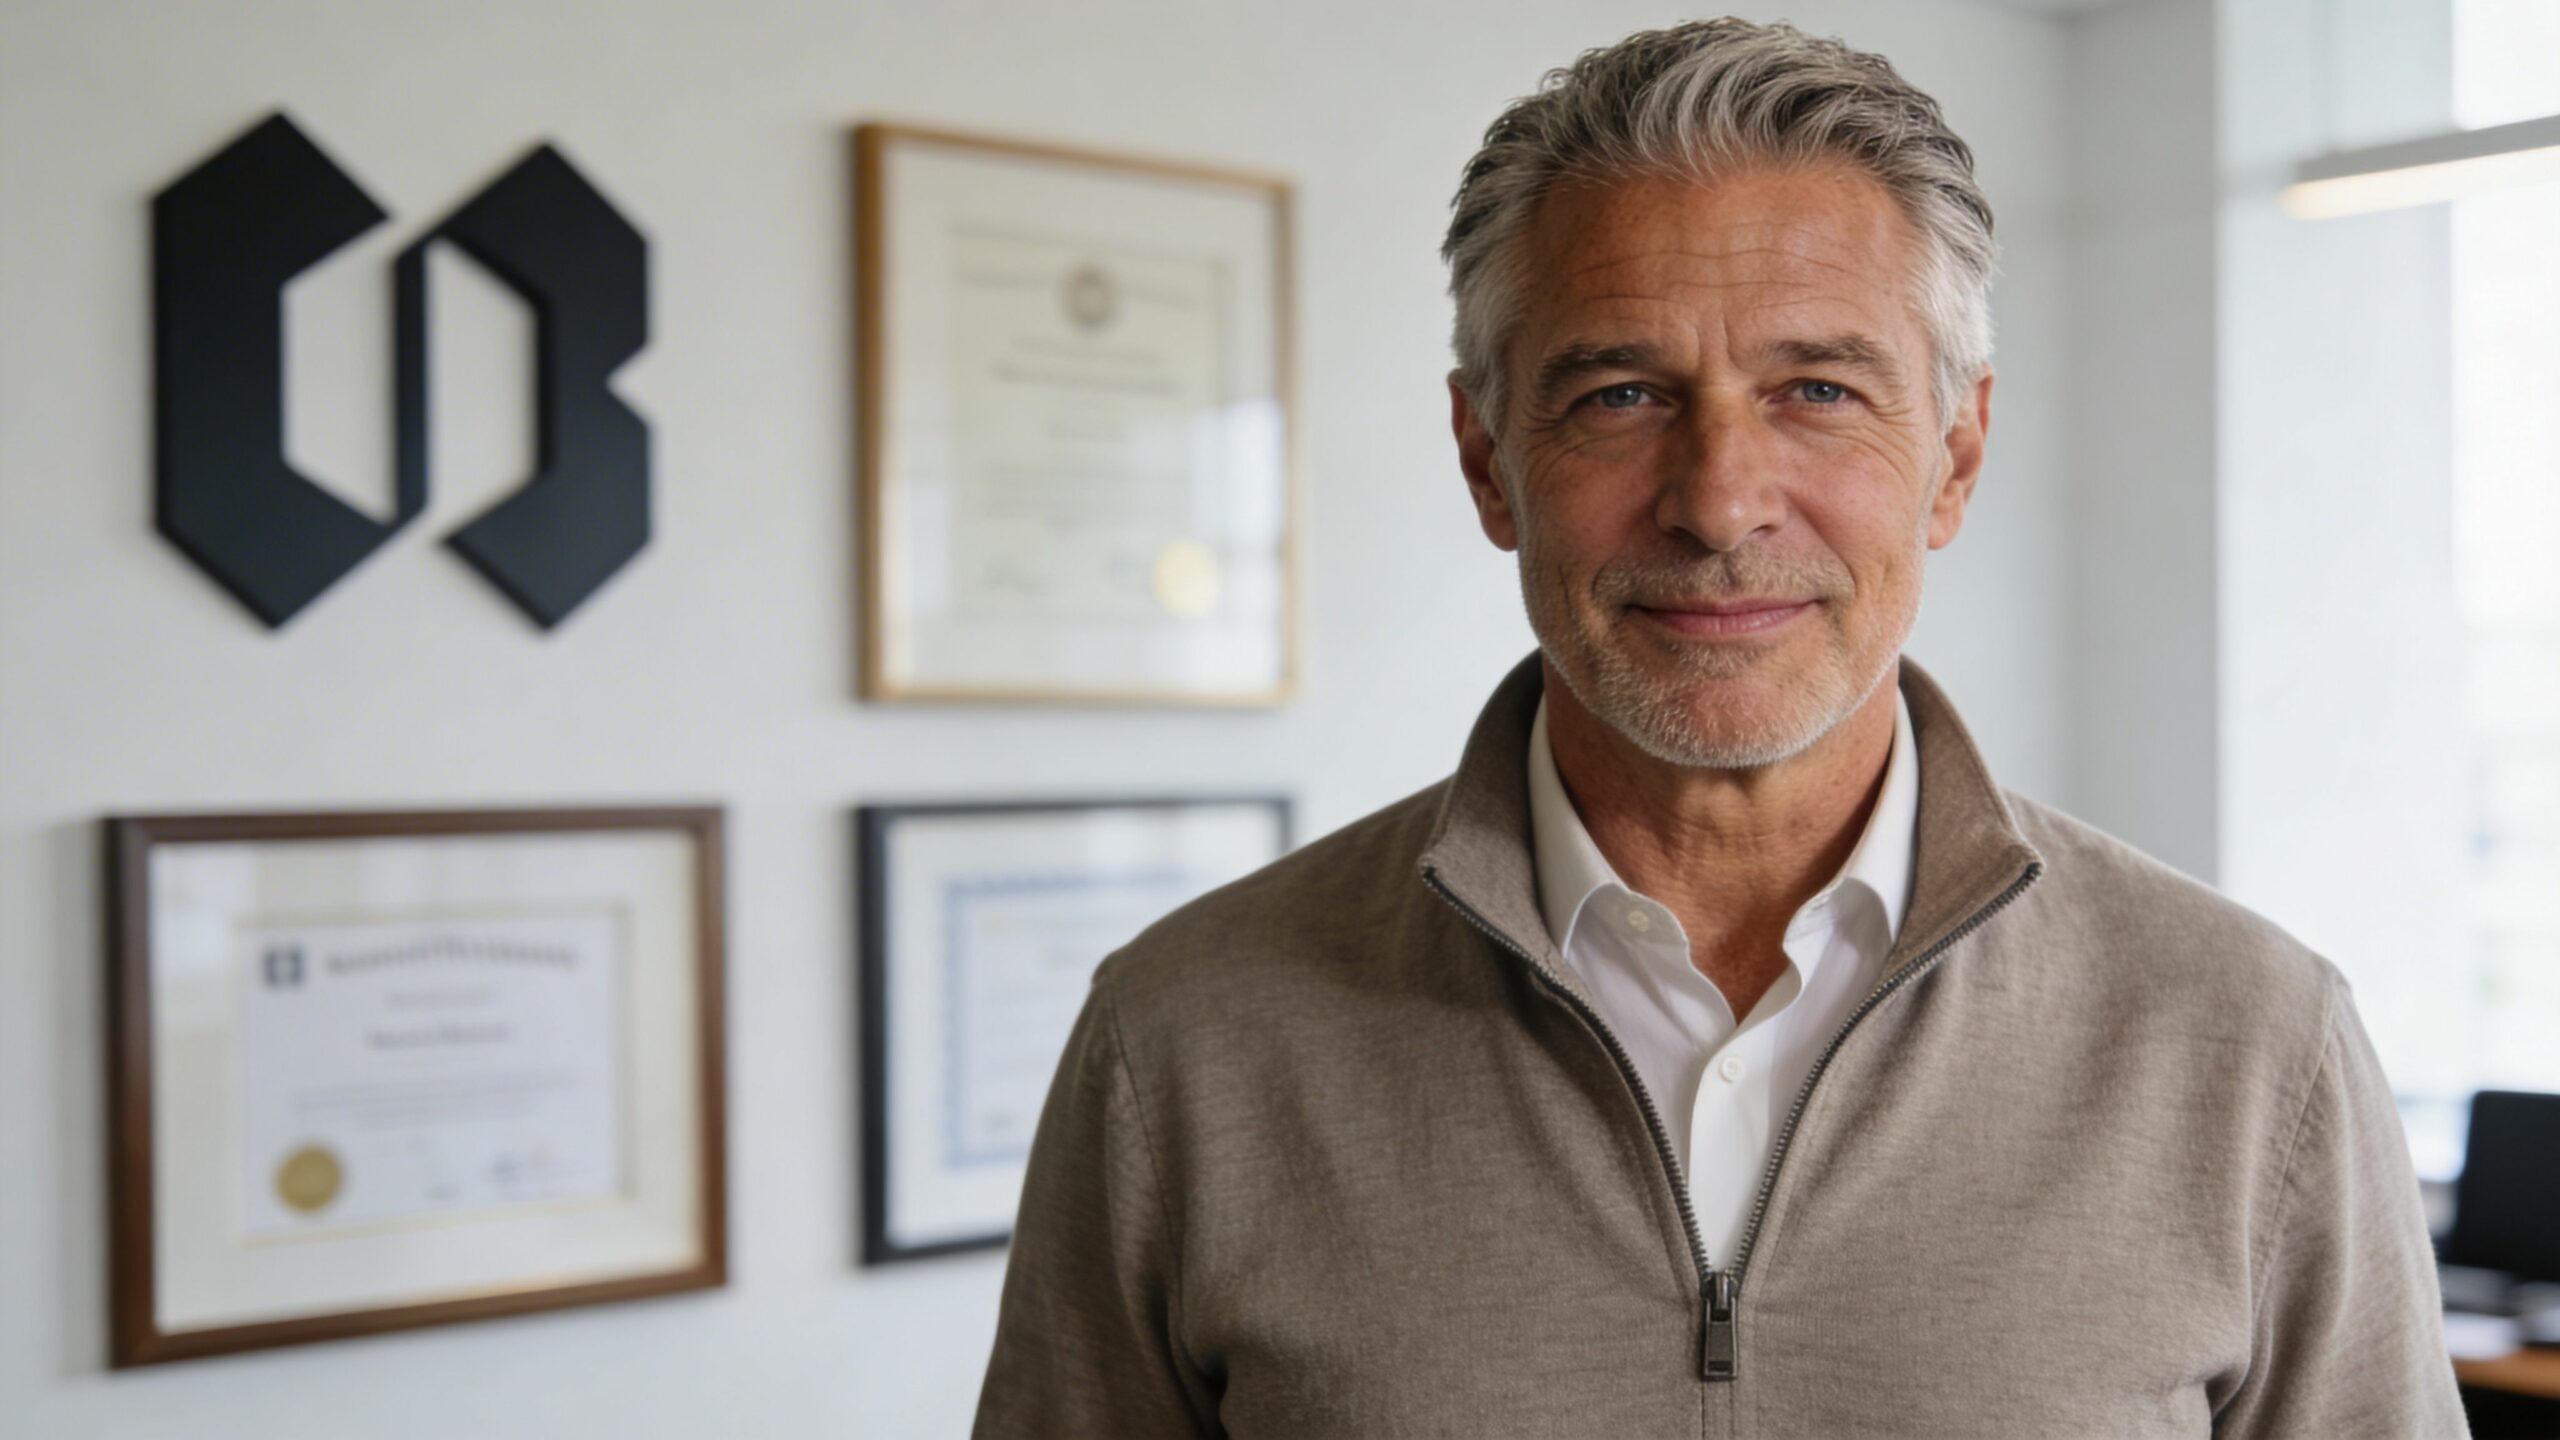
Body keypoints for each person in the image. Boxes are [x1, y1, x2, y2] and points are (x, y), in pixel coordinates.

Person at [973, 18, 2465, 1437]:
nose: (1719, 500)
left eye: (1817, 388)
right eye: (1621, 394)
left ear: (1955, 456)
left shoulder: (2250, 1046)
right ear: (1489, 462)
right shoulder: (1182, 1044)